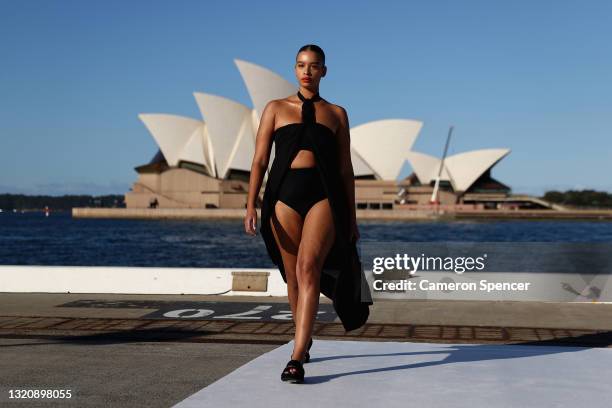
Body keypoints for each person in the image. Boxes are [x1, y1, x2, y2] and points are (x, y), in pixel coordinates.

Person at [244, 44, 372, 383]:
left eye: (314, 66)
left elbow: (345, 170)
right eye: (301, 65)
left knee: (308, 266)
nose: (307, 71)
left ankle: (297, 354)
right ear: (294, 68)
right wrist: (250, 205)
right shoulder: (275, 108)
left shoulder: (337, 114)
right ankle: (305, 334)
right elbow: (258, 161)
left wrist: (353, 219)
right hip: (283, 196)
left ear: (324, 71)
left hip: (323, 195)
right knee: (293, 276)